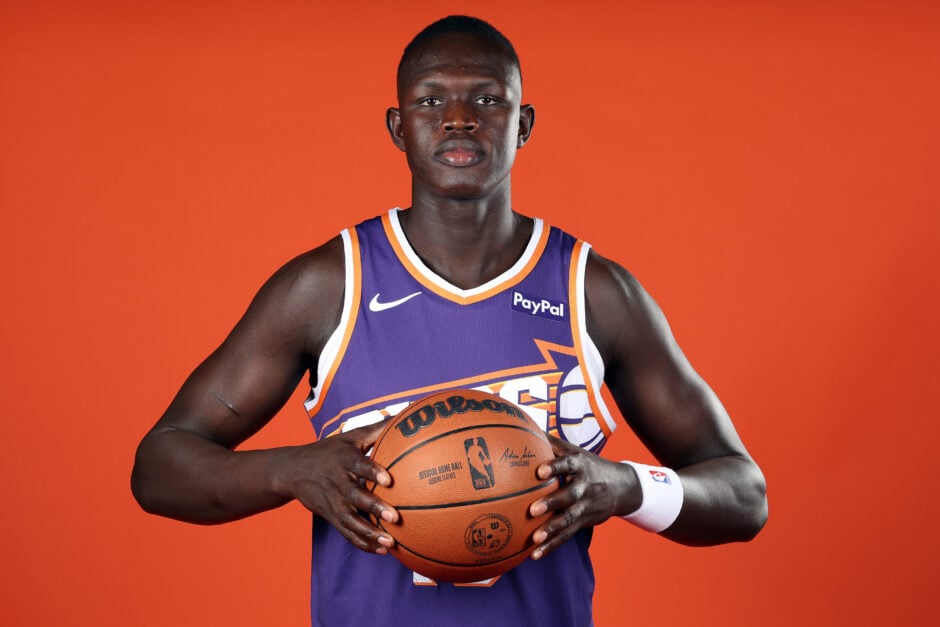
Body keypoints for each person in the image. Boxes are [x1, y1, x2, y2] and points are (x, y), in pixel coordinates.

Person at [132, 15, 767, 626]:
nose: (459, 120)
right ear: (398, 126)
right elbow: (160, 467)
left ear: (524, 124)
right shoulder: (329, 286)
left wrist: (624, 486)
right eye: (431, 102)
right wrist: (290, 470)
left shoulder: (594, 292)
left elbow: (743, 495)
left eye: (488, 100)